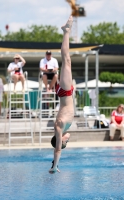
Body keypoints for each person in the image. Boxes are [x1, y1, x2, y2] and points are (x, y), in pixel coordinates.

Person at [49, 16, 74, 174]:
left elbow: (57, 149)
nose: (68, 139)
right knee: (67, 61)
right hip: (65, 92)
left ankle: (66, 31)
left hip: (65, 92)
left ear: (60, 140)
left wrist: (54, 166)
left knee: (66, 60)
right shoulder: (64, 130)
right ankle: (66, 32)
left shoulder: (58, 127)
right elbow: (67, 135)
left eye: (65, 142)